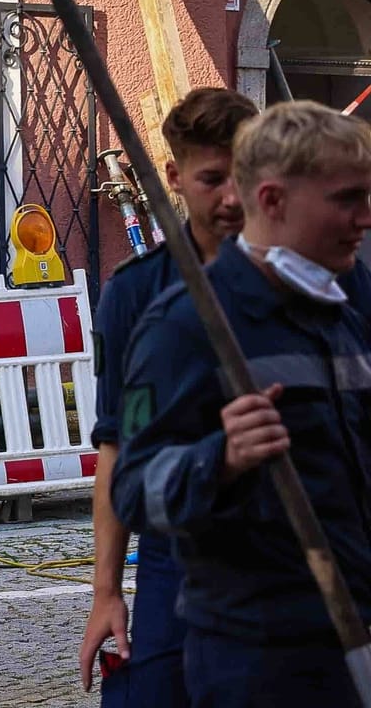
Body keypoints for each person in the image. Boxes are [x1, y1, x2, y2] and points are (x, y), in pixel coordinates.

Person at [112, 101, 371, 707]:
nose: (364, 218)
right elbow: (134, 487)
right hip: (262, 658)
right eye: (346, 200)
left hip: (354, 635)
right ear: (275, 201)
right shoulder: (185, 325)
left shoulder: (346, 307)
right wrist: (218, 459)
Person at [80, 87, 256, 702]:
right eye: (213, 180)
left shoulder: (300, 277)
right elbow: (117, 444)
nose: (233, 197)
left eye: (246, 175)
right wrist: (106, 592)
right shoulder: (134, 294)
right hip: (177, 547)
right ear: (176, 178)